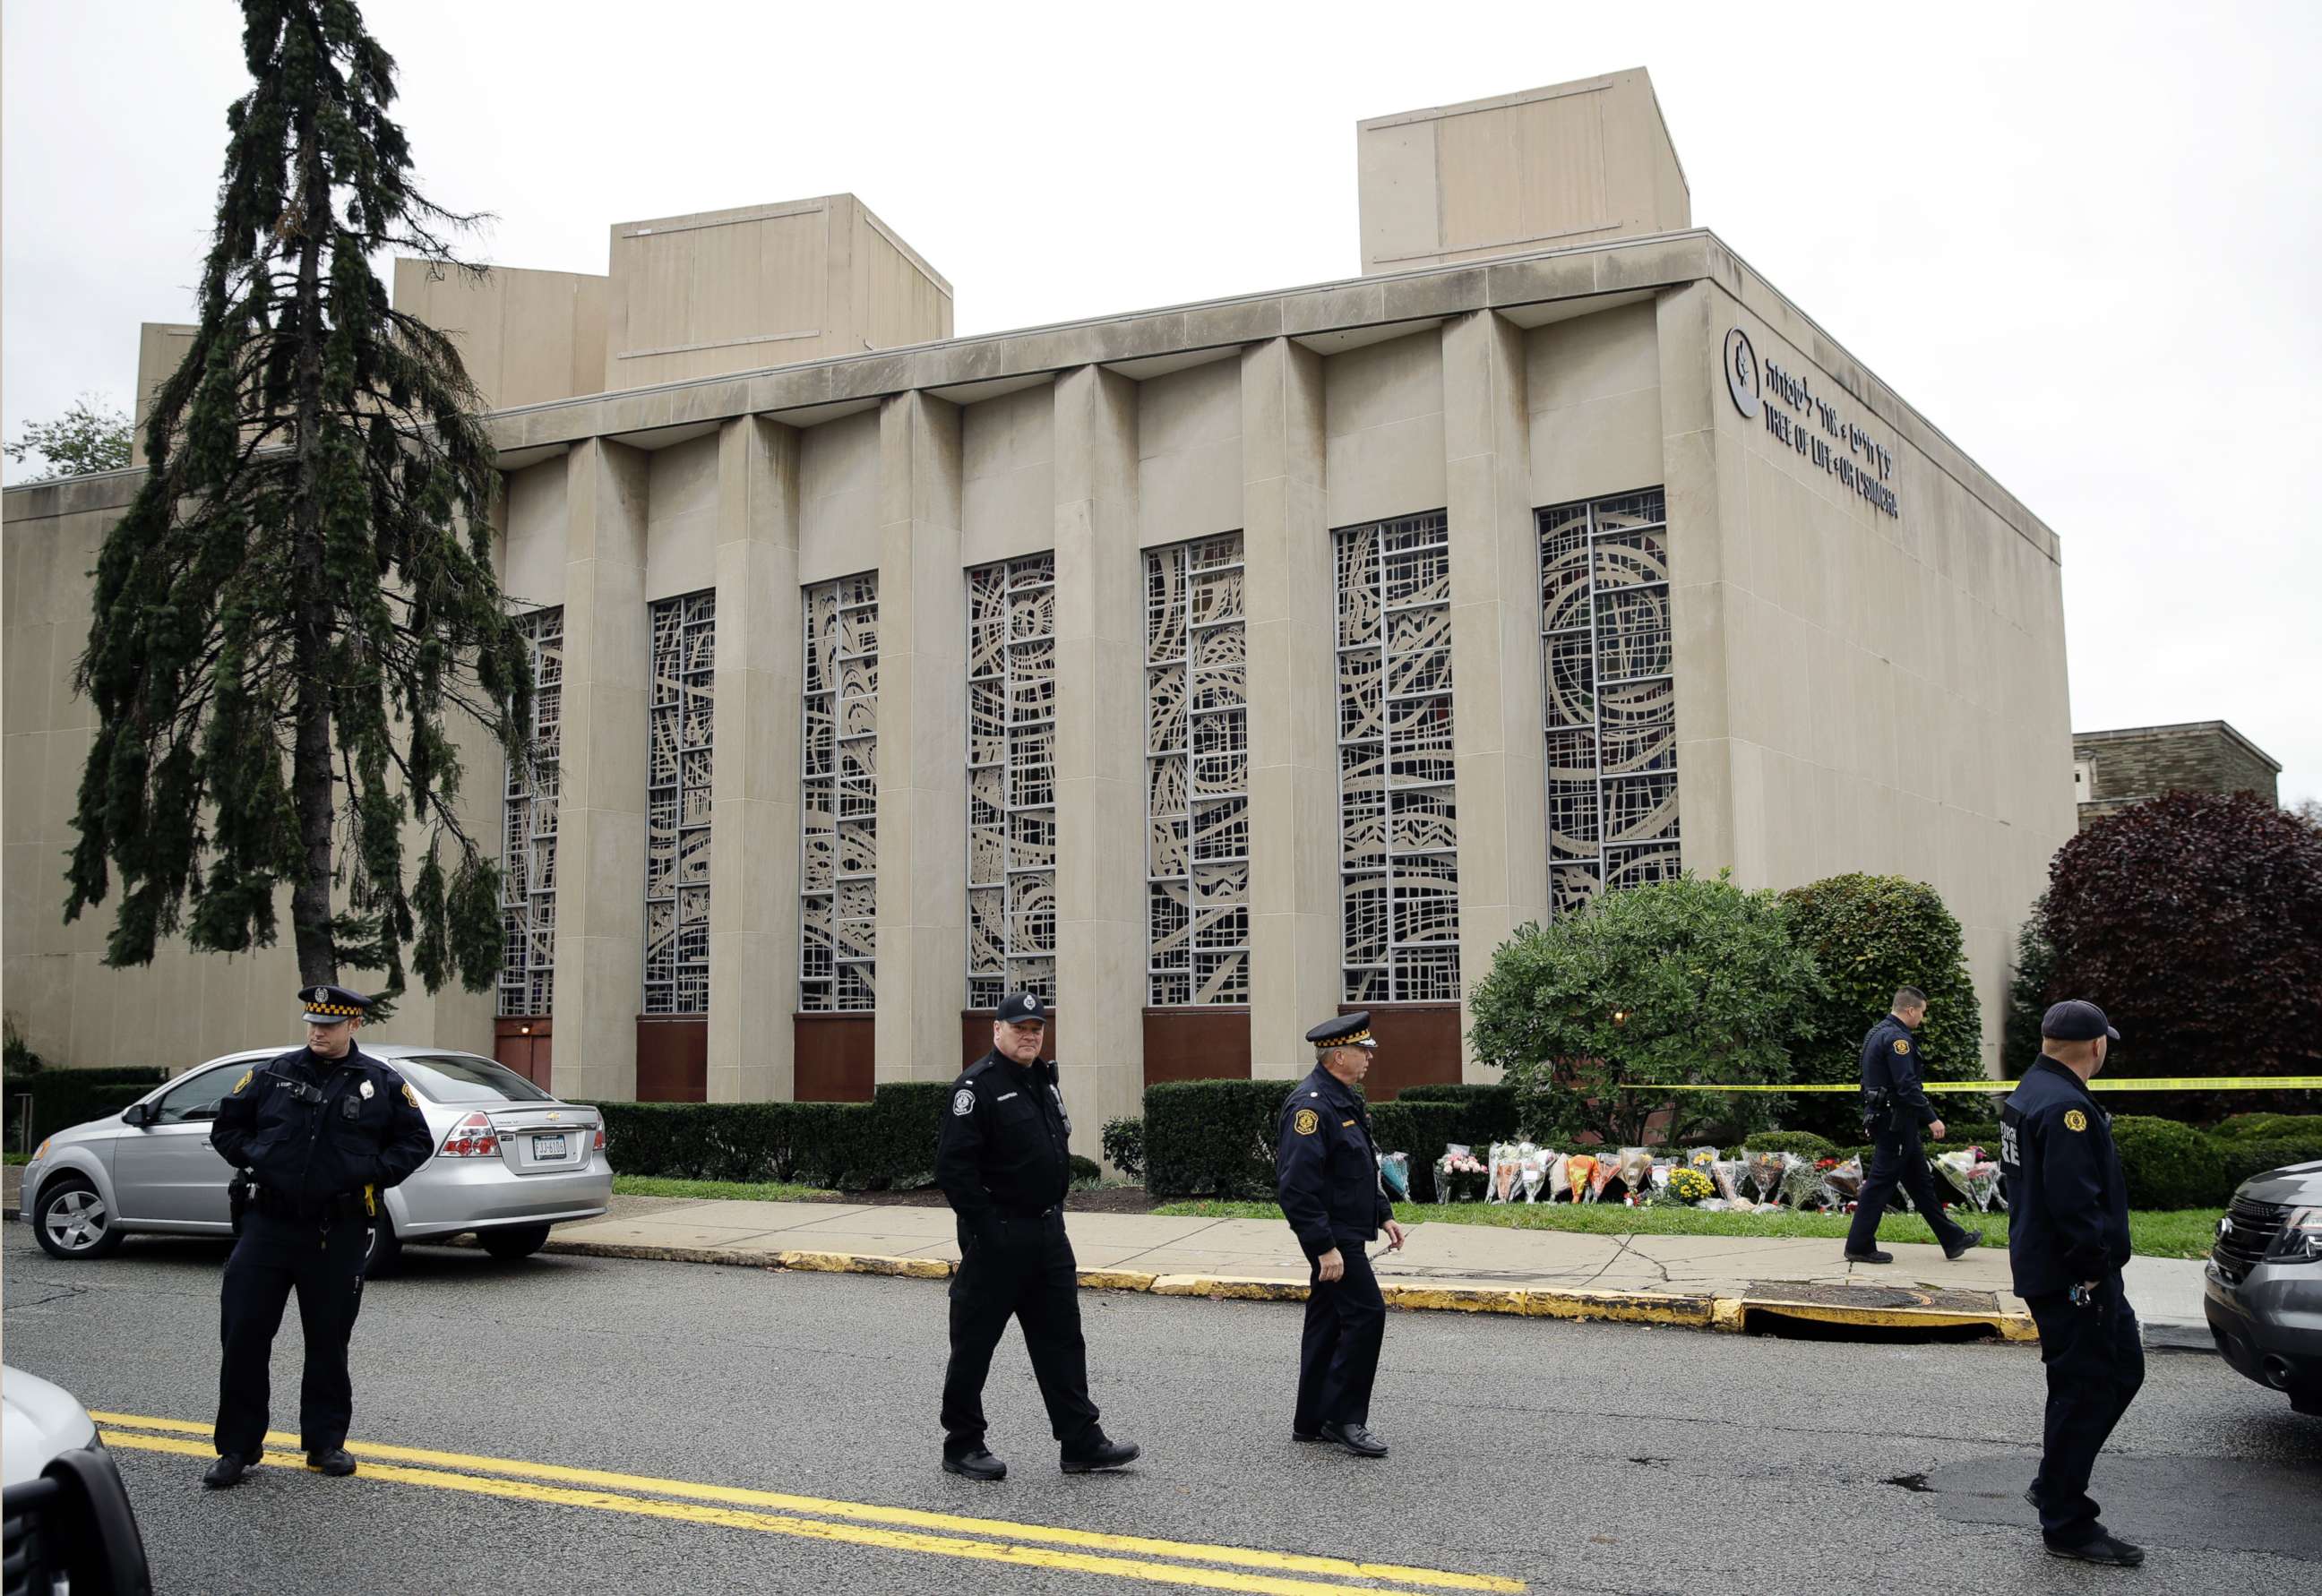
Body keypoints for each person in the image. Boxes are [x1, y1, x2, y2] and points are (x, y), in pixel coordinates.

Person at [202, 985, 432, 1489]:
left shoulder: (380, 1082)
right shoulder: (272, 1074)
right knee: (243, 1335)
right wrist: (258, 1156)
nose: (317, 1033)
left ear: (353, 1026)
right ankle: (237, 1448)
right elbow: (227, 1128)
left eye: (328, 1026)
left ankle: (325, 1443)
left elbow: (417, 1141)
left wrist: (369, 1172)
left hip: (339, 1229)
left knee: (328, 1340)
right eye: (312, 1023)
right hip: (268, 1226)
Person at [933, 991, 1138, 1482]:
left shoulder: (1042, 1081)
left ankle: (1081, 1441)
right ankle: (963, 1444)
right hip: (998, 1237)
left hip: (1048, 1233)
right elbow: (954, 1169)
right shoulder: (976, 1087)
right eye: (1020, 1027)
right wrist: (988, 1229)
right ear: (996, 1030)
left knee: (1062, 1340)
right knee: (975, 1343)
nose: (1030, 1035)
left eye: (1037, 1028)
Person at [2000, 1000, 2145, 1567]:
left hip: (2057, 1269)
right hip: (2074, 1277)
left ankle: (2055, 1482)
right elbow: (2073, 1204)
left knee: (2116, 1373)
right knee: (2087, 1387)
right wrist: (2092, 1270)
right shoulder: (2065, 1107)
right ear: (2096, 1047)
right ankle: (2065, 1520)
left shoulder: (2033, 1091)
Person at [1276, 1013, 1406, 1459]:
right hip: (1333, 1236)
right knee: (1367, 1314)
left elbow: (1359, 1166)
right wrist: (1323, 1247)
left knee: (1327, 1321)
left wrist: (1383, 1213)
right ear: (1338, 1056)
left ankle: (1310, 1420)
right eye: (1363, 1050)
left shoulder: (1342, 1099)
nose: (1369, 1057)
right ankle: (1344, 1418)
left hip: (1348, 1229)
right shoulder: (1311, 1107)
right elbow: (1295, 1187)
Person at [1843, 985, 1980, 1265]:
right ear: (1910, 1009)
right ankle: (1859, 1245)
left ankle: (1953, 1239)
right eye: (1922, 1013)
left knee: (1921, 1184)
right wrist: (1931, 1118)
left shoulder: (1876, 1033)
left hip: (1891, 1121)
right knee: (1880, 1183)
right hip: (1896, 1123)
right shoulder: (1897, 1040)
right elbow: (1906, 1086)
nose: (1922, 1018)